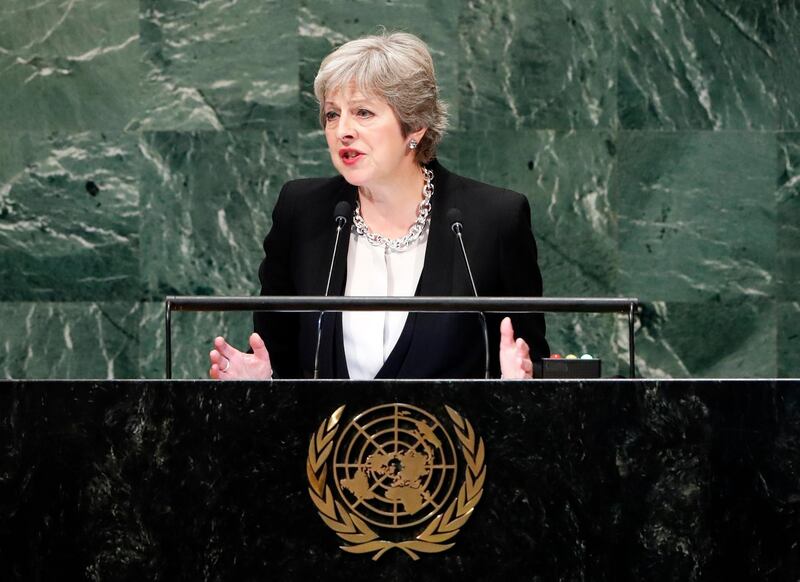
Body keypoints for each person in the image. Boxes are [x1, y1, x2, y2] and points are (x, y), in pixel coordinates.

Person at [209, 31, 548, 381]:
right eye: (331, 115)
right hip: (330, 436)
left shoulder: (492, 219)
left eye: (363, 112)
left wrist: (520, 382)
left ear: (415, 125)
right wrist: (260, 382)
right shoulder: (302, 212)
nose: (343, 130)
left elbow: (530, 362)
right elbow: (276, 351)